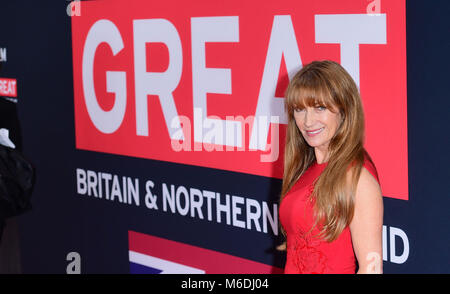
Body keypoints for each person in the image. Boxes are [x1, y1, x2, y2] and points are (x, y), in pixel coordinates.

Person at [278, 60, 383, 274]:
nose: (308, 121)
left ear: (344, 110)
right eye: (299, 109)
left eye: (320, 108)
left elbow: (371, 269)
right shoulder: (304, 169)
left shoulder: (357, 177)